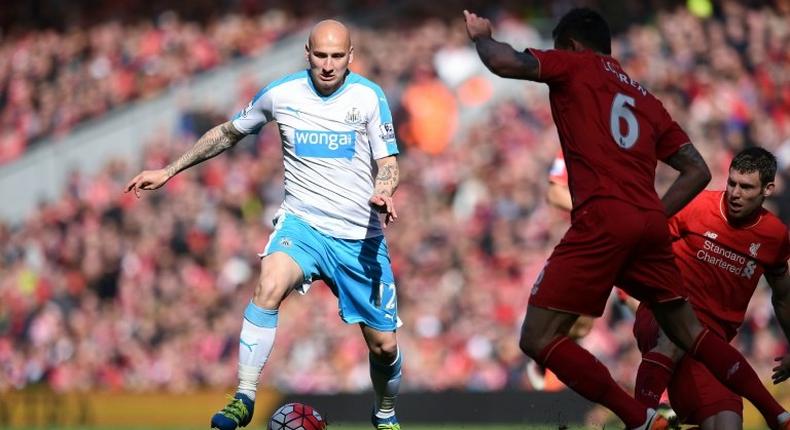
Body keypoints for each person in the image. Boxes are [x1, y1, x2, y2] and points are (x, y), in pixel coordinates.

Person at [464, 7, 790, 430]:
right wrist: (655, 214)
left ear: (574, 46)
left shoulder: (576, 64)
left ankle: (639, 418)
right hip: (649, 225)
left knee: (538, 338)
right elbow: (697, 169)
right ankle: (777, 413)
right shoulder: (644, 97)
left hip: (602, 218)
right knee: (689, 332)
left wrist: (482, 37)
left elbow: (504, 62)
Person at [125, 20, 404, 430]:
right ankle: (244, 396)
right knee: (269, 283)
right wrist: (169, 170)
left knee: (383, 347)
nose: (328, 66)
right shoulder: (281, 94)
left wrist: (384, 191)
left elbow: (389, 163)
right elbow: (227, 133)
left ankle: (384, 414)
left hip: (357, 237)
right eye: (321, 56)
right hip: (302, 226)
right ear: (307, 53)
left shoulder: (368, 97)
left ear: (351, 56)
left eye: (337, 57)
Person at [633, 147, 790, 430]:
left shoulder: (775, 236)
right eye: (731, 183)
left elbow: (783, 296)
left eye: (746, 187)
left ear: (768, 189)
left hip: (715, 343)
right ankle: (641, 417)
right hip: (664, 314)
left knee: (726, 422)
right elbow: (647, 241)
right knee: (674, 337)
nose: (735, 193)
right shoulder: (695, 205)